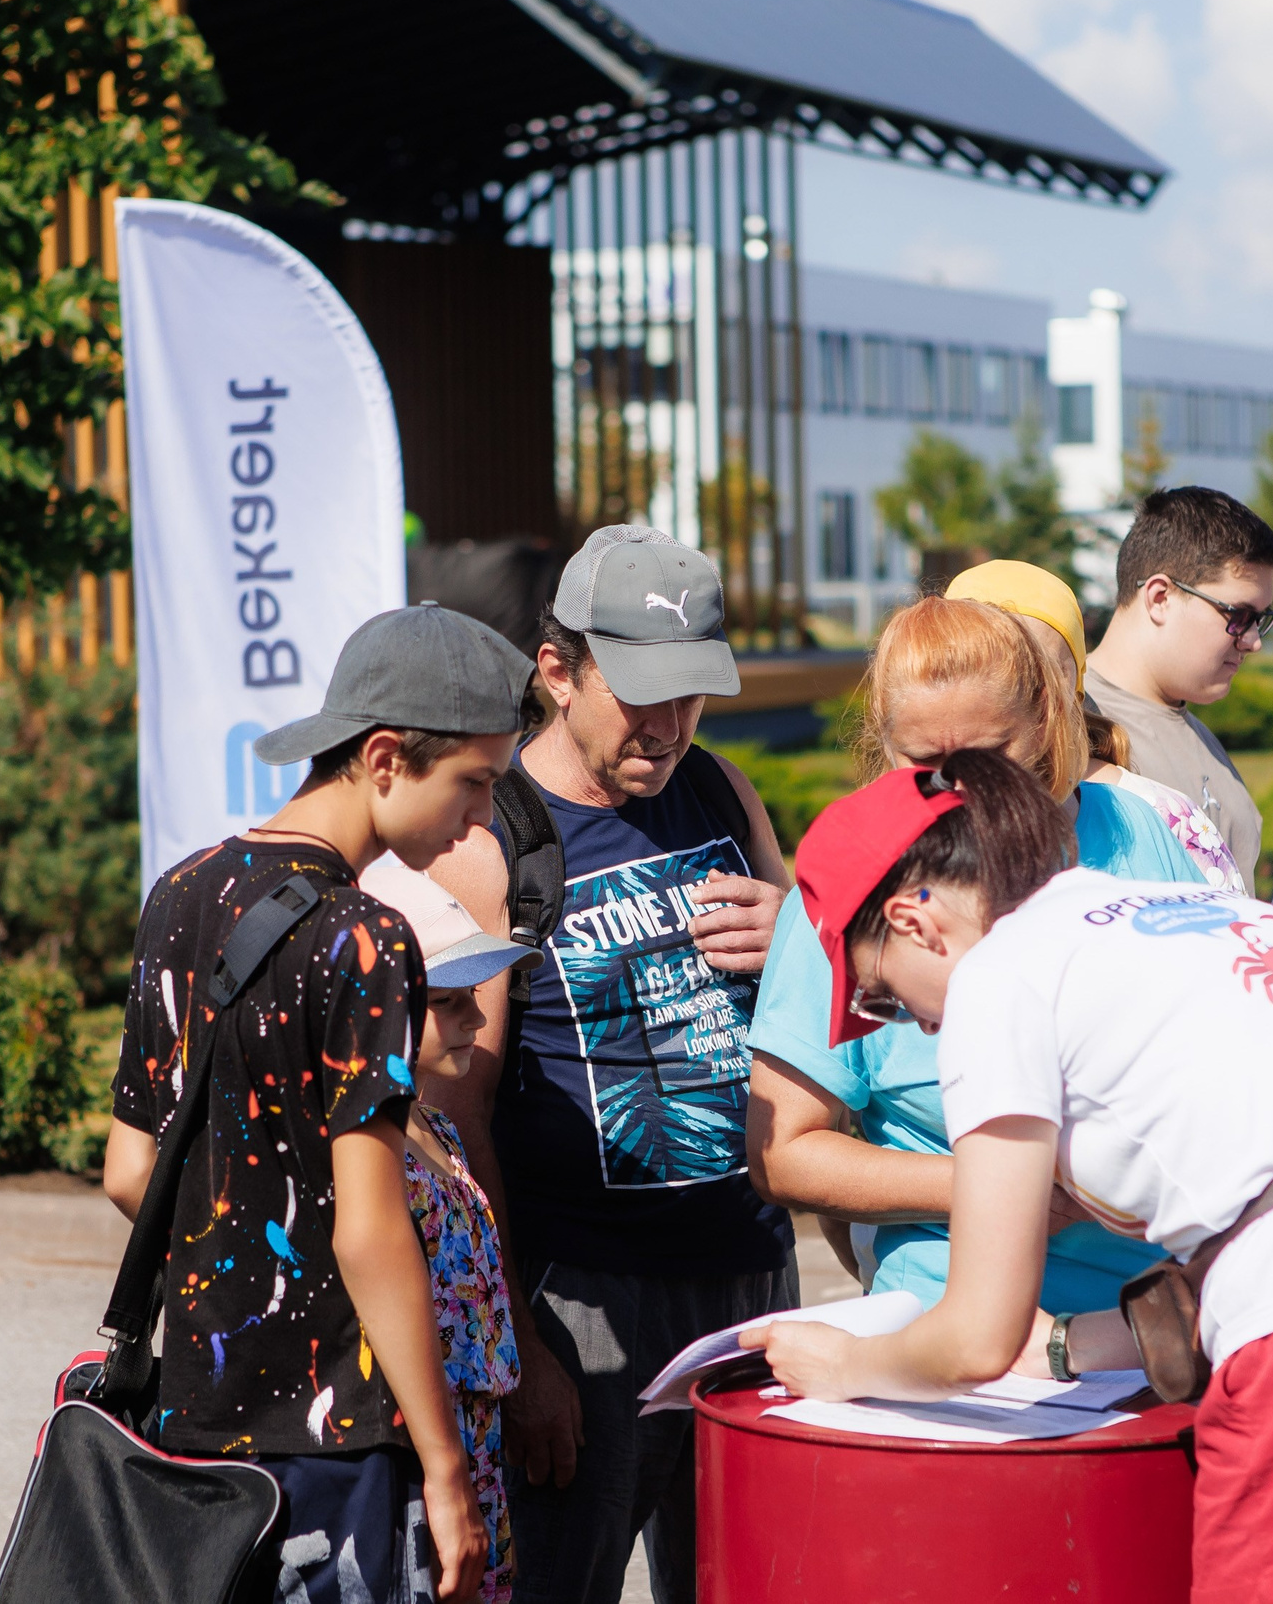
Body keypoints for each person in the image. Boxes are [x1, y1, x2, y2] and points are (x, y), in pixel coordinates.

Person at [746, 750, 1273, 1604]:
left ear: (914, 921)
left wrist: (849, 1362)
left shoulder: (997, 978)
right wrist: (1071, 1343)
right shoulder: (1206, 907)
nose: (919, 1027)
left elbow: (975, 1337)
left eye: (886, 999)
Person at [103, 605, 529, 1604]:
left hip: (194, 1427)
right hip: (339, 1442)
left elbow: (130, 1171)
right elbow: (369, 1229)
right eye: (473, 782)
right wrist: (445, 1465)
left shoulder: (179, 891)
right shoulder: (364, 937)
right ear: (384, 759)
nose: (480, 819)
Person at [428, 525, 795, 1604]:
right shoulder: (494, 840)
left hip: (746, 1276)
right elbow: (457, 1118)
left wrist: (797, 940)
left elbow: (811, 1018)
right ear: (557, 671)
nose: (669, 725)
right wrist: (519, 1350)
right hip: (582, 1300)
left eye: (691, 693)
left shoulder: (719, 791)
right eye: (640, 694)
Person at [746, 592, 1195, 1309]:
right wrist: (1000, 1183)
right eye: (925, 761)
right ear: (882, 736)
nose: (961, 789)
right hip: (954, 1304)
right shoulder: (845, 892)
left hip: (1160, 1301)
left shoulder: (1136, 829)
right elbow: (784, 1151)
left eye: (990, 756)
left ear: (1045, 719)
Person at [362, 855, 543, 1604]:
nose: (478, 1018)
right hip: (412, 1454)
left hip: (478, 1449)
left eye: (476, 995)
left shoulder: (437, 1129)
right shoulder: (367, 1156)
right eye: (448, 1000)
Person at [947, 557, 1246, 890]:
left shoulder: (1162, 819)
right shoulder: (919, 825)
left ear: (1073, 687)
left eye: (1036, 673)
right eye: (974, 667)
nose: (1010, 697)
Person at [1083, 487, 1273, 881]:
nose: (1253, 641)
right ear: (1160, 597)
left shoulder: (1198, 735)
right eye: (1239, 616)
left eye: (1260, 620)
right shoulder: (1069, 727)